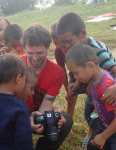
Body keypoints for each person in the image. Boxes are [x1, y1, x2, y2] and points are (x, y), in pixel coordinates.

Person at [56, 12, 116, 147]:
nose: (67, 47)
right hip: (96, 85)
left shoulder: (97, 52)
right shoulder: (82, 52)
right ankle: (96, 129)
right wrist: (77, 82)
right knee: (92, 110)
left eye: (69, 42)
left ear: (82, 33)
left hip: (110, 90)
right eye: (64, 45)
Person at [21, 24, 73, 150]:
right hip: (16, 112)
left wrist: (48, 117)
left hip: (37, 110)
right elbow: (7, 102)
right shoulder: (16, 65)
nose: (35, 58)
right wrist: (25, 119)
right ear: (24, 49)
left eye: (40, 53)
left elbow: (46, 104)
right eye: (30, 53)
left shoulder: (57, 72)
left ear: (48, 47)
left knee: (65, 121)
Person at [65, 43, 116, 150]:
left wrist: (103, 136)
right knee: (92, 146)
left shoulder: (106, 87)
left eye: (76, 73)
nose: (74, 77)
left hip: (112, 129)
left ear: (90, 66)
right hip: (105, 124)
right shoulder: (94, 78)